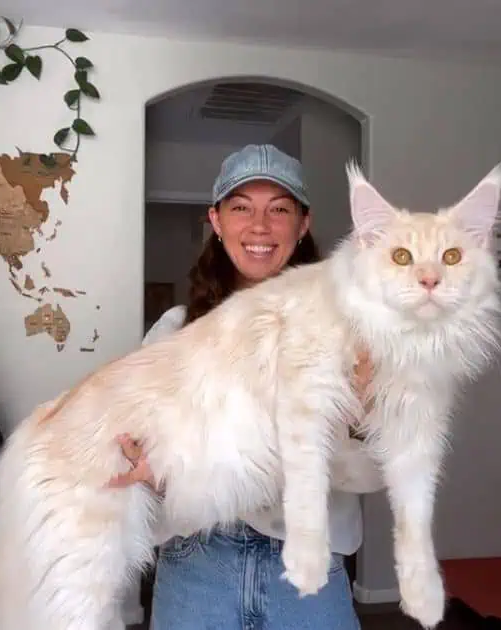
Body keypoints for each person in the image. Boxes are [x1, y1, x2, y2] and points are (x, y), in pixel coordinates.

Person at [112, 144, 383, 630]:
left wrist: (354, 420)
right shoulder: (175, 331)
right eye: (241, 208)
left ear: (303, 225)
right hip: (197, 563)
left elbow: (371, 473)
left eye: (279, 209)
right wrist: (152, 468)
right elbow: (137, 451)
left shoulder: (353, 336)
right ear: (216, 221)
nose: (260, 227)